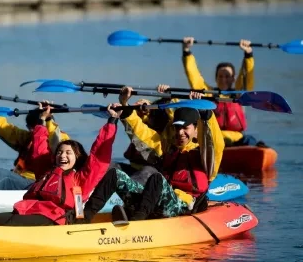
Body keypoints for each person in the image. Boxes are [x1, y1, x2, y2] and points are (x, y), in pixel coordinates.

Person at [79, 86, 224, 223]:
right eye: (177, 127)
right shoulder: (168, 149)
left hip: (184, 206)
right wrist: (126, 107)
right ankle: (83, 218)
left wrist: (206, 113)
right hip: (156, 202)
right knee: (114, 175)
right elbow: (143, 135)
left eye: (185, 128)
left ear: (196, 130)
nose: (180, 132)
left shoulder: (205, 156)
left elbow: (215, 143)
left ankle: (137, 222)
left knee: (156, 178)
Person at [0, 103, 120, 226]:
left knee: (6, 221)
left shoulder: (80, 179)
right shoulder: (47, 172)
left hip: (56, 220)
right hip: (30, 211)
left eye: (68, 153)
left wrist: (112, 122)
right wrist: (41, 121)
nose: (62, 155)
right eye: (60, 152)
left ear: (77, 158)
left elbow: (99, 156)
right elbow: (38, 151)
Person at [0, 93, 69, 190]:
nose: (32, 131)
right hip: (20, 178)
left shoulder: (62, 139)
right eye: (30, 128)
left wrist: (47, 119)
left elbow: (56, 141)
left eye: (34, 128)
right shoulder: (27, 138)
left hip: (38, 183)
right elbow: (4, 129)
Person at [182, 36, 264, 147]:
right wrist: (186, 51)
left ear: (233, 79)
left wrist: (248, 55)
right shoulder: (209, 94)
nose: (223, 79)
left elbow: (246, 77)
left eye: (227, 76)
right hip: (214, 138)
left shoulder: (238, 94)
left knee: (251, 140)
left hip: (236, 138)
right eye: (220, 76)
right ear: (216, 78)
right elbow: (194, 77)